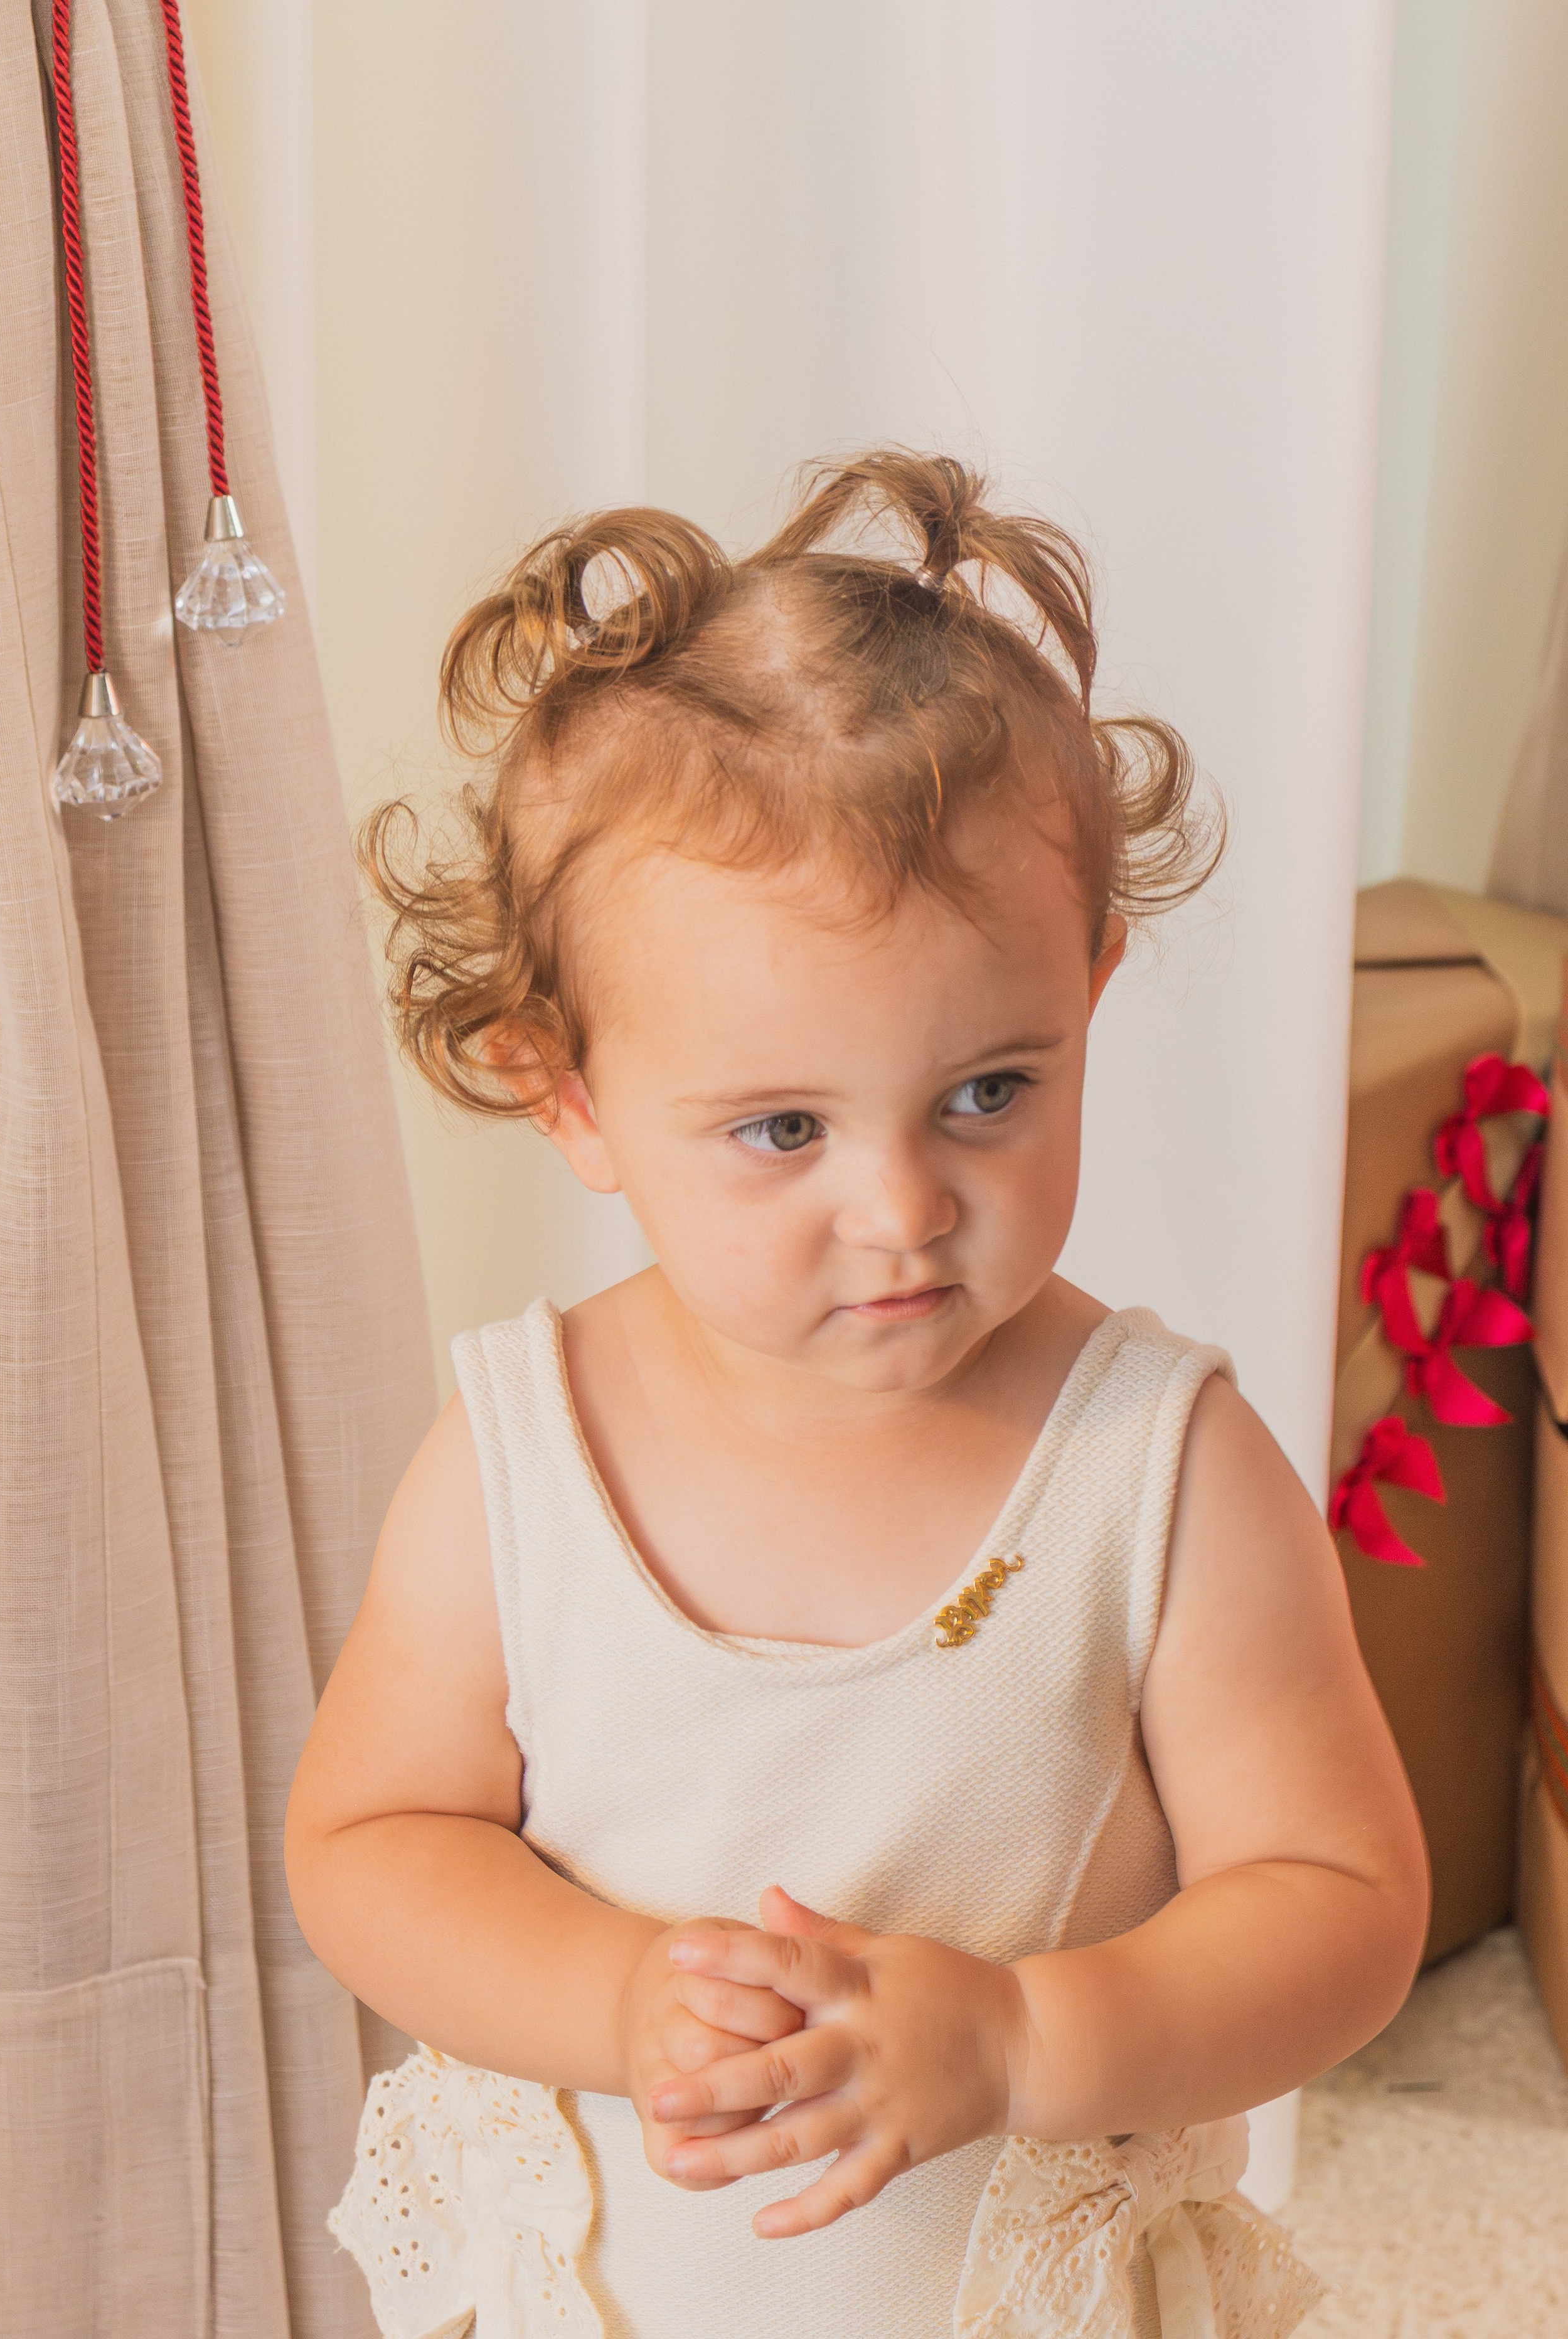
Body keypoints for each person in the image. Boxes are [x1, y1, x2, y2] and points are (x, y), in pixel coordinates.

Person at [285, 450, 1427, 2339]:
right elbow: (370, 1844)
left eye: (990, 1091)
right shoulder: (518, 1461)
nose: (903, 1208)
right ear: (566, 1091)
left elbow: (1340, 1899)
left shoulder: (1160, 1472)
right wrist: (617, 1997)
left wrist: (1027, 2037)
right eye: (783, 1129)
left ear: (1090, 991)